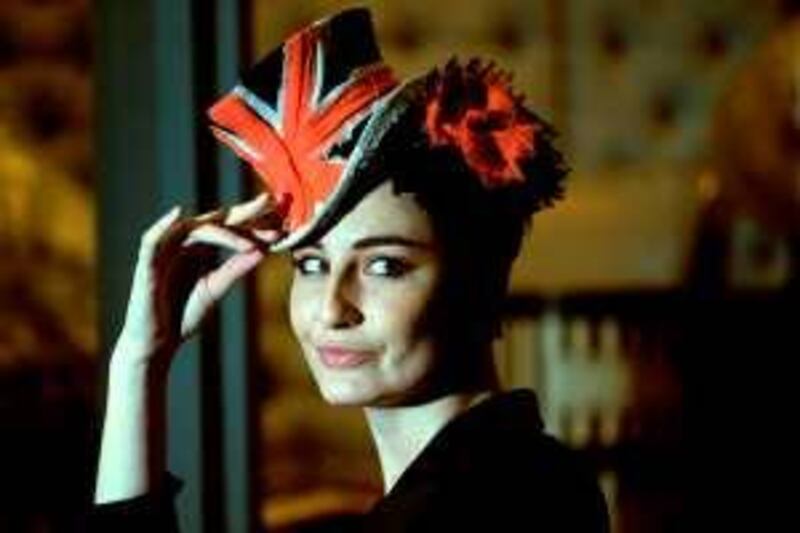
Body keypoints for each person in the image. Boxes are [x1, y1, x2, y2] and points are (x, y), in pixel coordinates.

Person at [90, 8, 609, 532]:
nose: (332, 308)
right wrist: (138, 363)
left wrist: (137, 370)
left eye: (384, 265)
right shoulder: (515, 475)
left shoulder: (495, 502)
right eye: (312, 264)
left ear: (479, 283)